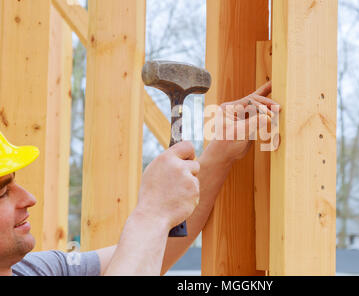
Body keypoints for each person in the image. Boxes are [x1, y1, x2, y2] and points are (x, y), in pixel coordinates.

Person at [0, 82, 280, 276]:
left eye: (14, 183)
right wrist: (152, 212)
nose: (28, 198)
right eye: (3, 193)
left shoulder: (35, 269)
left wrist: (220, 153)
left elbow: (148, 256)